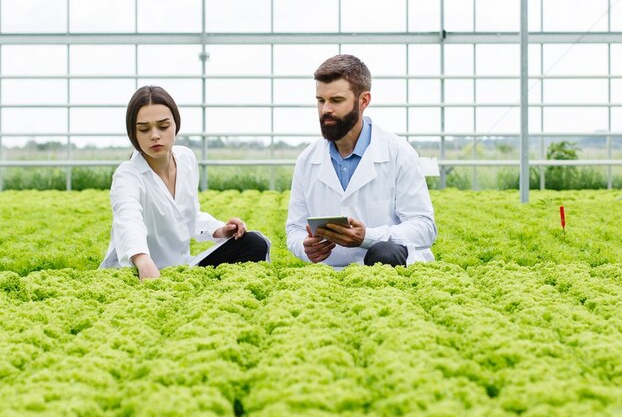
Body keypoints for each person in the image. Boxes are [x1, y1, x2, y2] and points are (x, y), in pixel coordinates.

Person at [101, 85, 270, 279]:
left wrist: (220, 229)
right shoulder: (127, 175)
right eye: (144, 129)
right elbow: (129, 221)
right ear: (134, 134)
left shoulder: (186, 159)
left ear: (176, 125)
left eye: (163, 126)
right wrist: (142, 260)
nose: (155, 135)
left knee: (254, 243)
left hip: (181, 269)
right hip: (139, 271)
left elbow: (189, 216)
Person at [286, 54, 436, 268]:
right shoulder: (307, 160)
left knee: (383, 253)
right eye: (320, 100)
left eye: (336, 100)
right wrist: (305, 247)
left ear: (363, 101)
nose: (325, 109)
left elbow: (424, 227)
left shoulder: (398, 152)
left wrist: (368, 237)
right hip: (330, 272)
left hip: (388, 273)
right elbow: (294, 228)